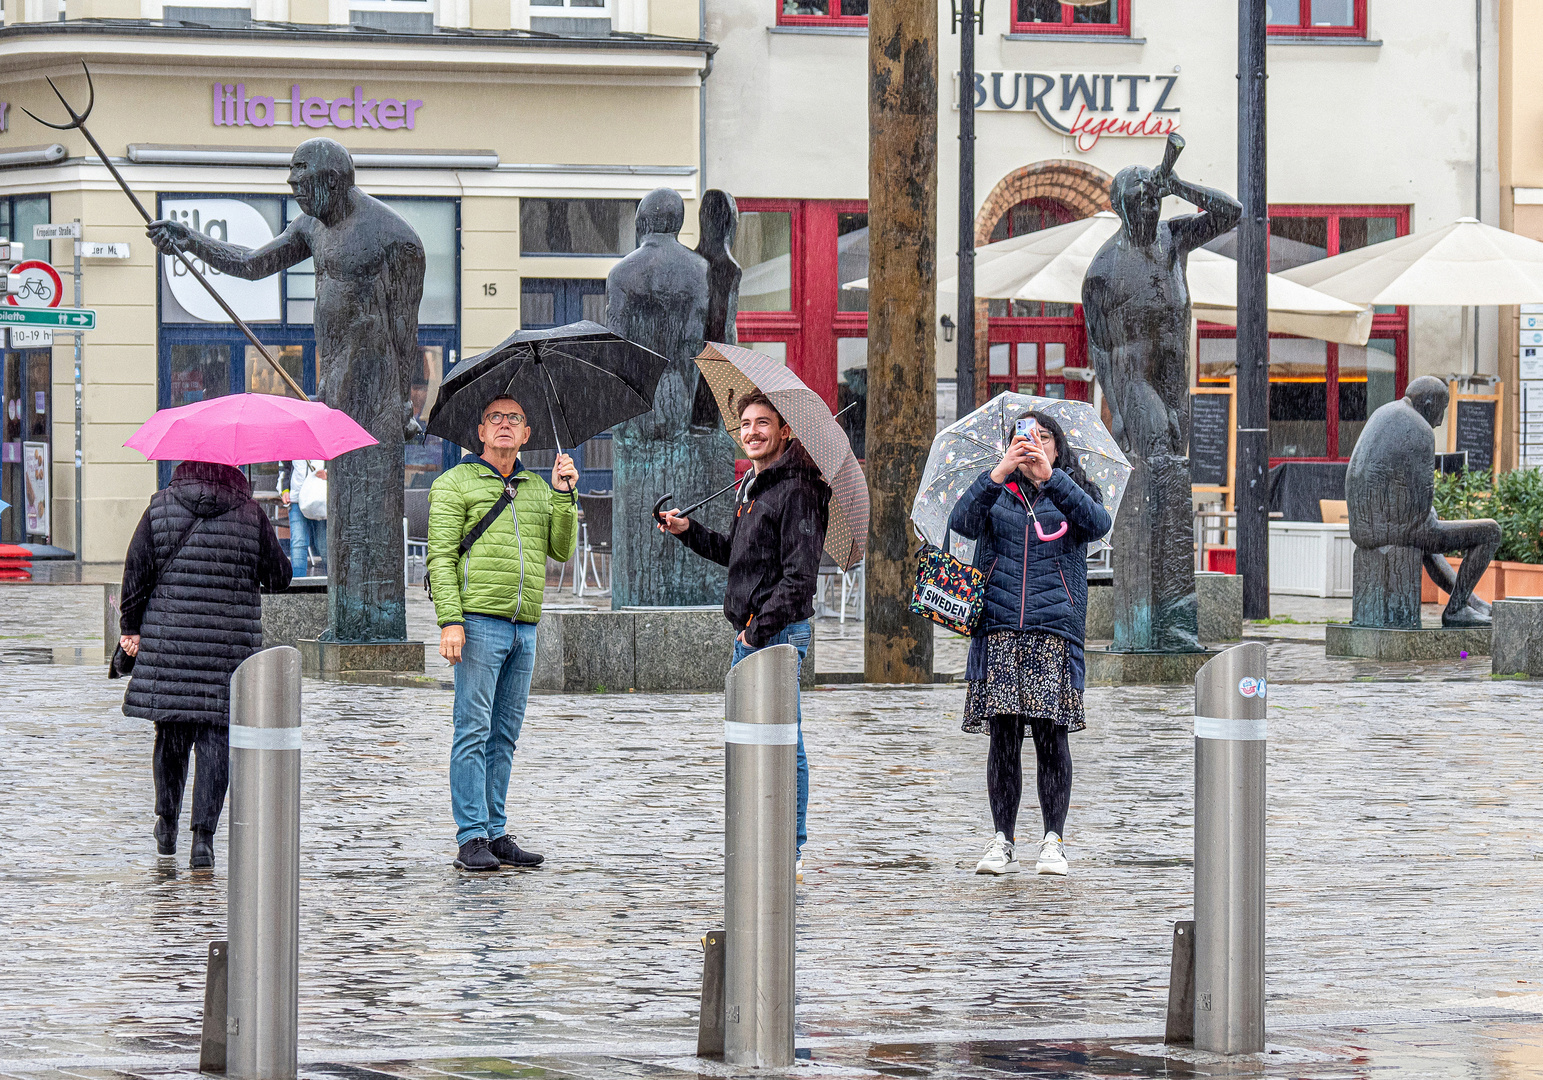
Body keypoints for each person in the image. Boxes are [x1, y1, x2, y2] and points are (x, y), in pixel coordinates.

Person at [658, 391, 830, 878]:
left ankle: (790, 850)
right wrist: (688, 530)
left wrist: (758, 633)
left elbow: (799, 580)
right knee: (753, 743)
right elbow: (738, 556)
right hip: (751, 633)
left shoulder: (799, 489)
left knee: (783, 743)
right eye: (746, 424)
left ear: (785, 431)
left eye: (763, 423)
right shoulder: (756, 487)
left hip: (773, 636)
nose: (752, 432)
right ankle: (763, 838)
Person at [948, 413, 1112, 877]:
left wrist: (1052, 479)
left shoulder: (1071, 490)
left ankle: (1053, 841)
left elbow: (1097, 524)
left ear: (1058, 447)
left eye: (1043, 437)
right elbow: (960, 523)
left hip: (1052, 632)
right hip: (998, 629)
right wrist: (997, 473)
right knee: (1002, 738)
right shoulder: (996, 489)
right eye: (1023, 437)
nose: (1032, 444)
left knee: (1049, 736)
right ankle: (1002, 840)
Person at [117, 460, 293, 869]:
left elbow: (136, 574)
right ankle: (203, 840)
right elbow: (280, 576)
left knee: (172, 738)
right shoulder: (251, 515)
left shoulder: (160, 507)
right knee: (216, 742)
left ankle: (166, 822)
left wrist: (130, 626)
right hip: (227, 650)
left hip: (171, 645)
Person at [428, 395, 578, 872]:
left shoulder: (537, 487)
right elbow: (441, 559)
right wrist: (450, 621)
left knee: (504, 735)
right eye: (496, 418)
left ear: (528, 433)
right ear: (480, 431)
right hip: (477, 624)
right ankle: (470, 836)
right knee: (471, 730)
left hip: (524, 627)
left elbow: (559, 549)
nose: (505, 425)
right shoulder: (455, 483)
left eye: (515, 418)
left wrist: (564, 494)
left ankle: (495, 831)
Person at [278, 459, 327, 575]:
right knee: (298, 543)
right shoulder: (291, 444)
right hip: (296, 499)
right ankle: (298, 584)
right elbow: (284, 469)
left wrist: (328, 473)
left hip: (319, 498)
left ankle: (331, 582)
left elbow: (338, 464)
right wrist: (284, 490)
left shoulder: (325, 443)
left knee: (324, 544)